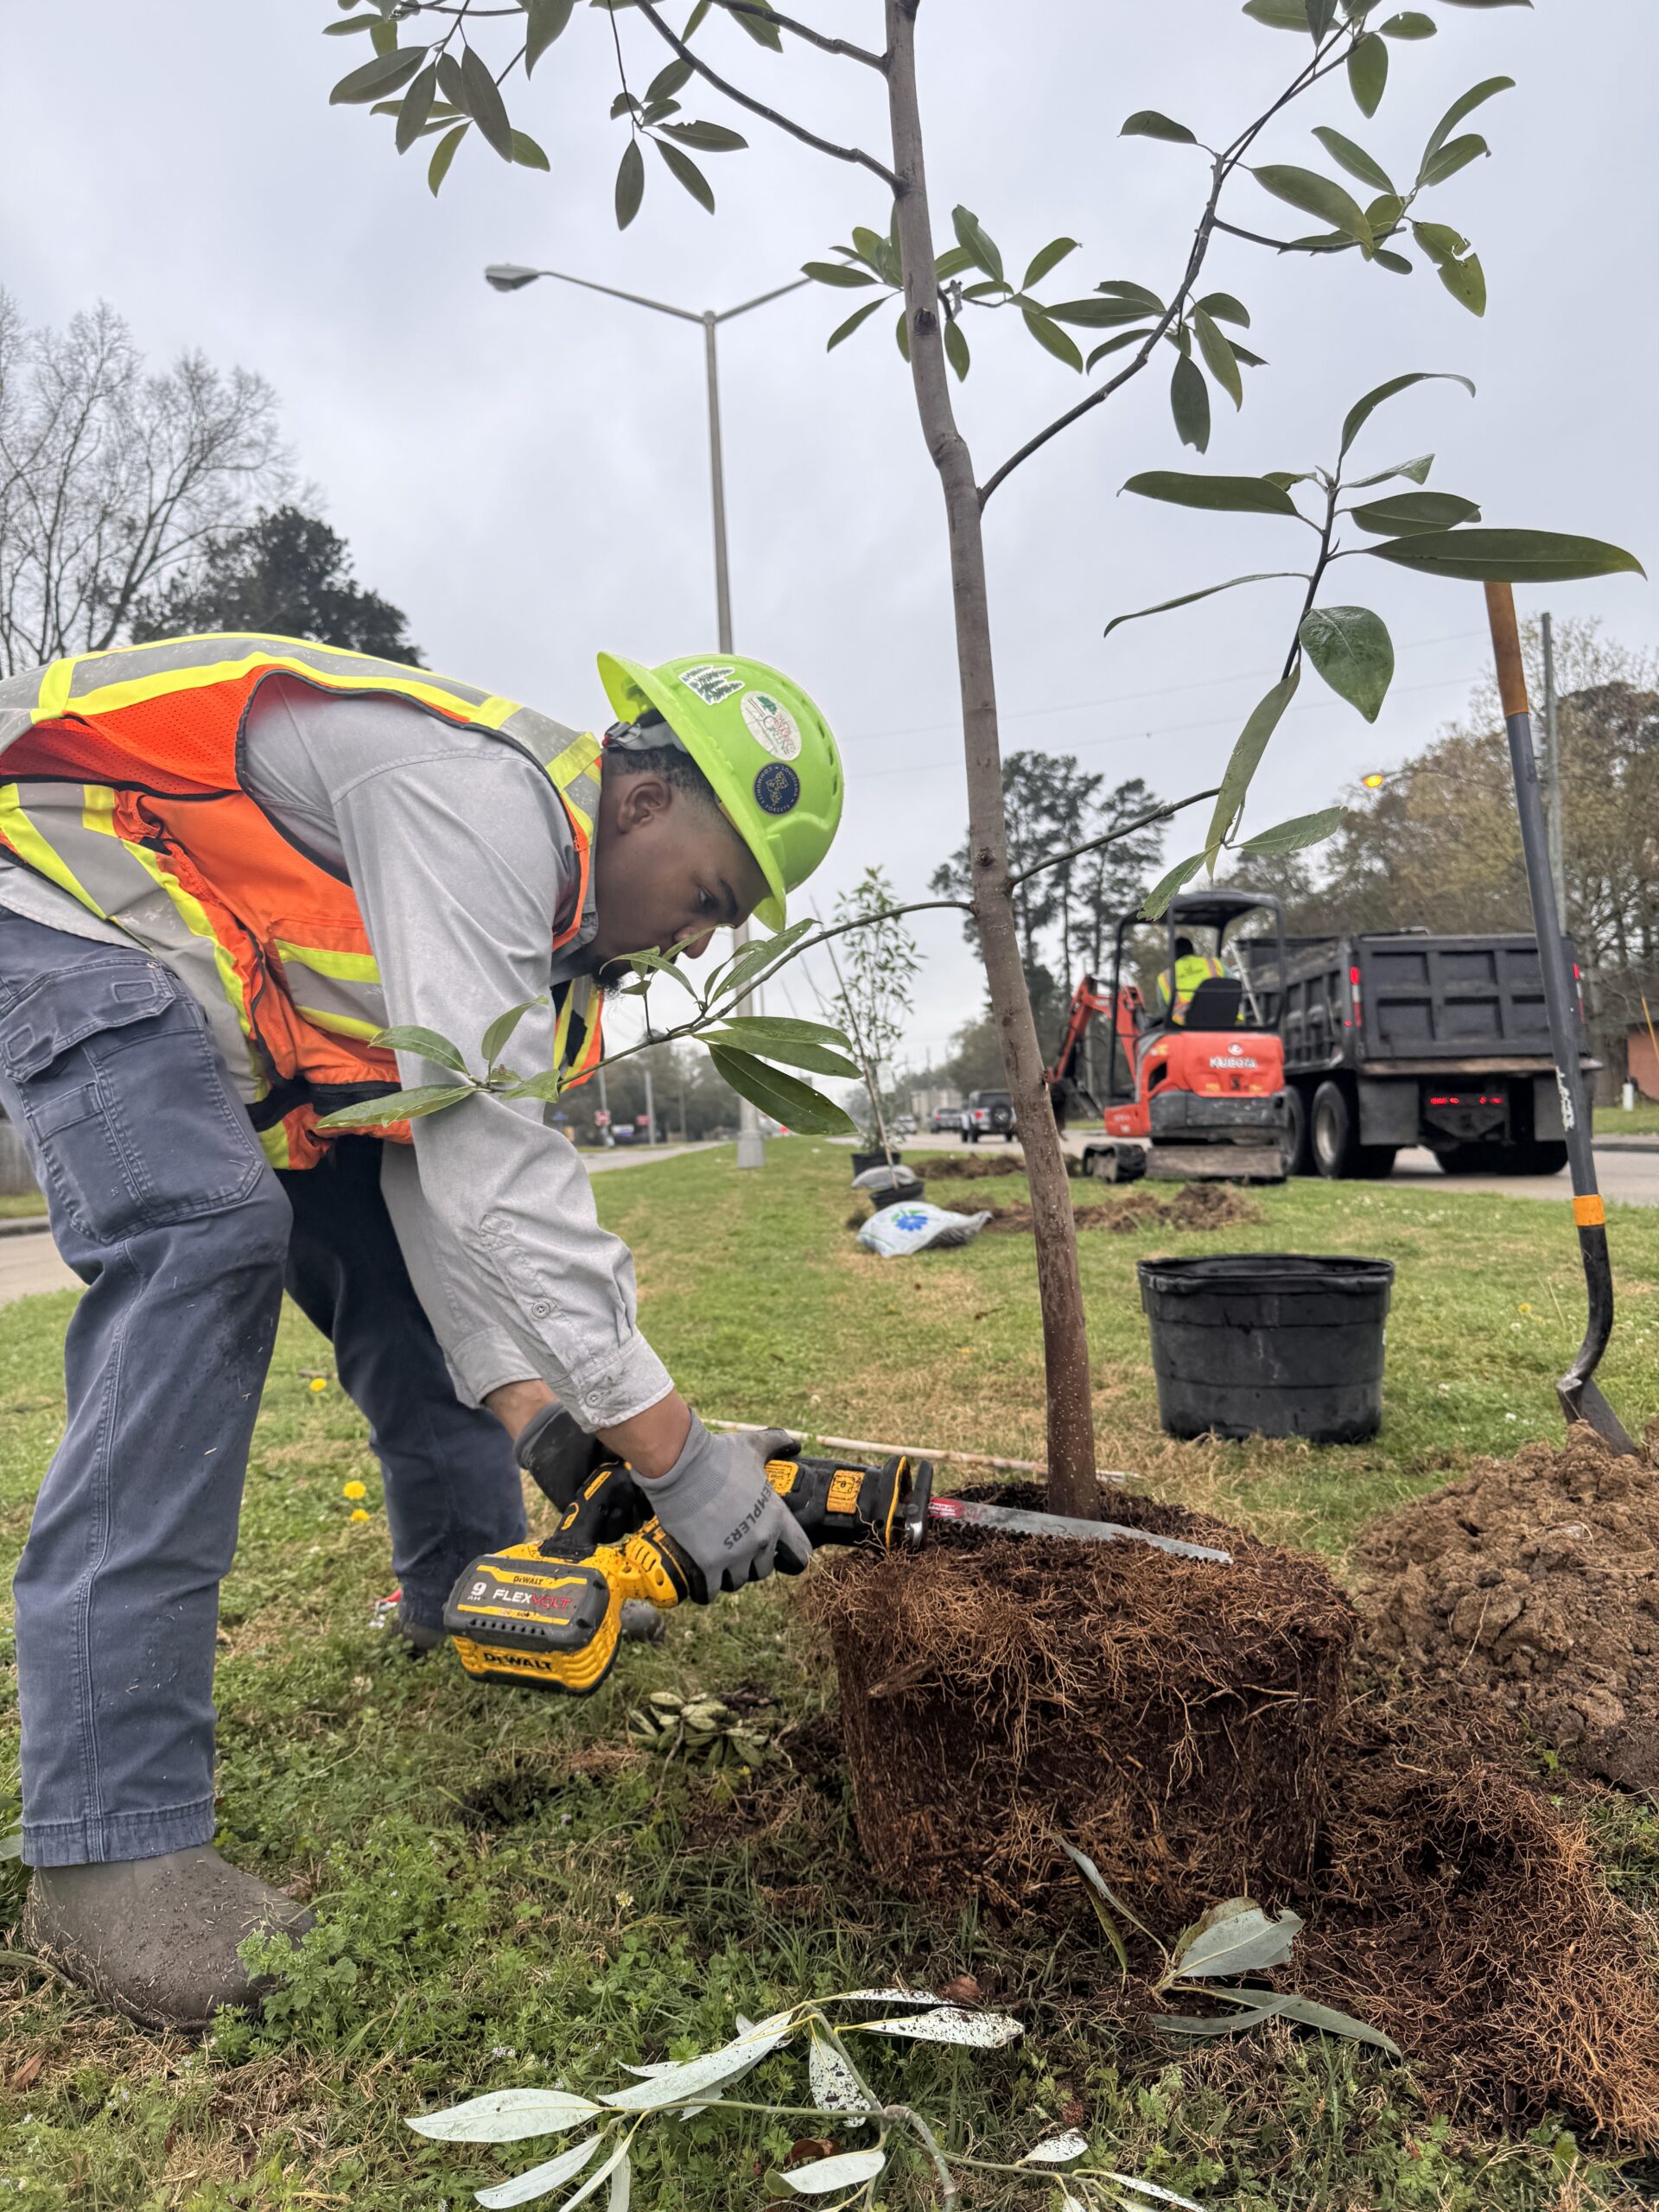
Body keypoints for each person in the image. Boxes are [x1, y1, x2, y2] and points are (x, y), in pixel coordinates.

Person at [0, 634, 842, 2029]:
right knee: (203, 1237)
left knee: (385, 1275)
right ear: (640, 802)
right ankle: (109, 1845)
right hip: (51, 894)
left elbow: (433, 1189)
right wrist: (680, 1455)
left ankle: (461, 1591)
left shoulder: (556, 962)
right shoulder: (479, 802)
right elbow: (493, 1167)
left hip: (218, 998)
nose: (701, 942)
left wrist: (539, 1418)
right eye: (709, 897)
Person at [1154, 934, 1226, 1027]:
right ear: (1193, 950)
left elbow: (1164, 1011)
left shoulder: (1164, 978)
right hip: (1224, 1019)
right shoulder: (1214, 963)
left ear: (1173, 955)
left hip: (1185, 1026)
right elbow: (1236, 985)